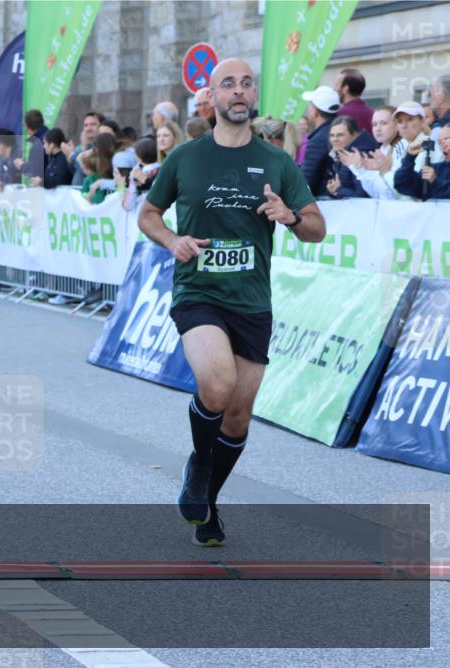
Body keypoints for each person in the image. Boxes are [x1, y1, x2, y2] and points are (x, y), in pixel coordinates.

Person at [137, 58, 325, 547]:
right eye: (228, 84)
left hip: (251, 300)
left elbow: (316, 229)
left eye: (245, 84)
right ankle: (199, 466)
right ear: (213, 98)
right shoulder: (185, 157)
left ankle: (210, 504)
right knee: (217, 385)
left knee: (239, 415)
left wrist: (288, 215)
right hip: (198, 292)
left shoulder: (278, 162)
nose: (238, 91)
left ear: (253, 95)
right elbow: (149, 214)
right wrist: (171, 240)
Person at [338, 105, 405, 199]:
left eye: (384, 123)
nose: (378, 129)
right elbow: (375, 193)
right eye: (374, 124)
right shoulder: (381, 150)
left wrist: (382, 170)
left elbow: (393, 193)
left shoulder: (402, 147)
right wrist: (358, 168)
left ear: (397, 125)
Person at [300, 85, 342, 196]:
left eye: (310, 105)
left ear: (315, 112)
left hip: (323, 202)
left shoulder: (318, 140)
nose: (308, 109)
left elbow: (306, 181)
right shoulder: (340, 132)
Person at [394, 125, 450, 200]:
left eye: (446, 138)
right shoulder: (435, 169)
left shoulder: (433, 174)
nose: (442, 143)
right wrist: (410, 157)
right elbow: (402, 184)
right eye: (439, 141)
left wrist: (435, 181)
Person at [334, 68, 375, 134]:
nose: (334, 88)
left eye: (337, 84)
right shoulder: (372, 113)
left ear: (345, 89)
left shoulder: (340, 114)